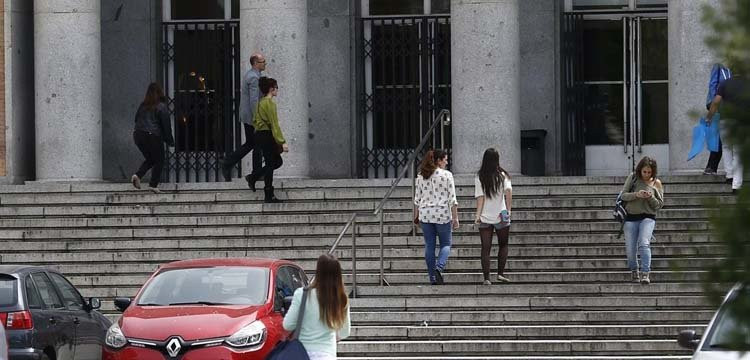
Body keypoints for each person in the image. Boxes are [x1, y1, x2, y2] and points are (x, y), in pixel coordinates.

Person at [283, 254, 351, 360]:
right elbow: (345, 332)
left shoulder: (302, 294)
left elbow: (287, 325)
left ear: (318, 271)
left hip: (302, 354)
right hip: (327, 354)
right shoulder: (341, 298)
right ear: (338, 274)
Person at [413, 149, 459, 285]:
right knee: (446, 244)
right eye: (445, 159)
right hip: (442, 214)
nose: (446, 162)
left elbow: (417, 200)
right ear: (438, 161)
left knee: (429, 246)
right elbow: (452, 199)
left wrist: (416, 216)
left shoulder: (421, 176)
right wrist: (455, 218)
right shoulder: (447, 175)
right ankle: (439, 267)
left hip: (425, 215)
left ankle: (432, 277)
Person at [220, 53, 265, 183]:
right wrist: (257, 119)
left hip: (248, 115)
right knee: (257, 144)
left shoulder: (252, 75)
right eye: (263, 61)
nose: (265, 63)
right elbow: (254, 100)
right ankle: (255, 173)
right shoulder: (254, 78)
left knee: (251, 143)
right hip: (252, 117)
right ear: (256, 63)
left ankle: (228, 163)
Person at [620, 156, 664, 285]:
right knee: (630, 249)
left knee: (644, 243)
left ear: (653, 171)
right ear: (640, 170)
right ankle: (634, 270)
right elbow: (623, 195)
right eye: (644, 171)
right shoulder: (633, 178)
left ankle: (645, 273)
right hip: (631, 217)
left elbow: (659, 205)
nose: (646, 174)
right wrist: (636, 195)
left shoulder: (657, 183)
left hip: (648, 217)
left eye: (649, 172)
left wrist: (650, 197)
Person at [473, 148, 513, 285]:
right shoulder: (503, 175)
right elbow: (508, 193)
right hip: (501, 215)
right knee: (503, 244)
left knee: (485, 248)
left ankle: (486, 278)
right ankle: (500, 273)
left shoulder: (480, 176)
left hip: (485, 216)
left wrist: (477, 216)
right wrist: (508, 210)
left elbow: (480, 198)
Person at [246, 77, 288, 202]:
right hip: (266, 135)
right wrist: (282, 141)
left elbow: (254, 120)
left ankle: (254, 177)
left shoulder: (260, 103)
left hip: (259, 134)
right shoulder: (270, 103)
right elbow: (274, 124)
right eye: (276, 88)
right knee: (272, 164)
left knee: (275, 162)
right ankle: (268, 194)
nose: (277, 90)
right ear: (271, 89)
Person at [706, 74, 748, 193]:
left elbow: (716, 102)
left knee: (726, 147)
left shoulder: (724, 83)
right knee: (738, 152)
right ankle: (736, 185)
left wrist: (709, 117)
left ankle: (729, 175)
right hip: (740, 121)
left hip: (725, 121)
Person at [131, 83, 175, 194]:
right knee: (160, 160)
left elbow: (136, 119)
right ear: (160, 93)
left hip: (138, 134)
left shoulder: (143, 105)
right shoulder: (161, 106)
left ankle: (137, 175)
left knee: (151, 159)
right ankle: (153, 185)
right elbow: (166, 125)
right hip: (152, 135)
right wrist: (170, 141)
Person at [703, 63, 731, 176]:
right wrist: (713, 106)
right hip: (720, 107)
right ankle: (711, 166)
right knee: (720, 137)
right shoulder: (719, 67)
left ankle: (711, 166)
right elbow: (713, 85)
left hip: (734, 107)